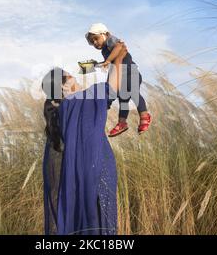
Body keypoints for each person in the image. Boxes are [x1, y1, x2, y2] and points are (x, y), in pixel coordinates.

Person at [41, 43, 128, 235]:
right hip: (95, 178)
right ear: (64, 85)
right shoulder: (78, 101)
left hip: (81, 181)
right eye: (71, 76)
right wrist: (119, 59)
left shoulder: (64, 111)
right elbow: (111, 89)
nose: (76, 78)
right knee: (96, 227)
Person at [85, 23, 151, 137]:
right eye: (92, 42)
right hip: (121, 77)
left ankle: (144, 115)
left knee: (133, 93)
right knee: (123, 99)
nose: (95, 43)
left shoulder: (111, 40)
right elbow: (111, 62)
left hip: (131, 73)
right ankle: (122, 122)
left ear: (104, 34)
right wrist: (97, 64)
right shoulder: (104, 51)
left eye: (96, 38)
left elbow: (119, 47)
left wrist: (107, 60)